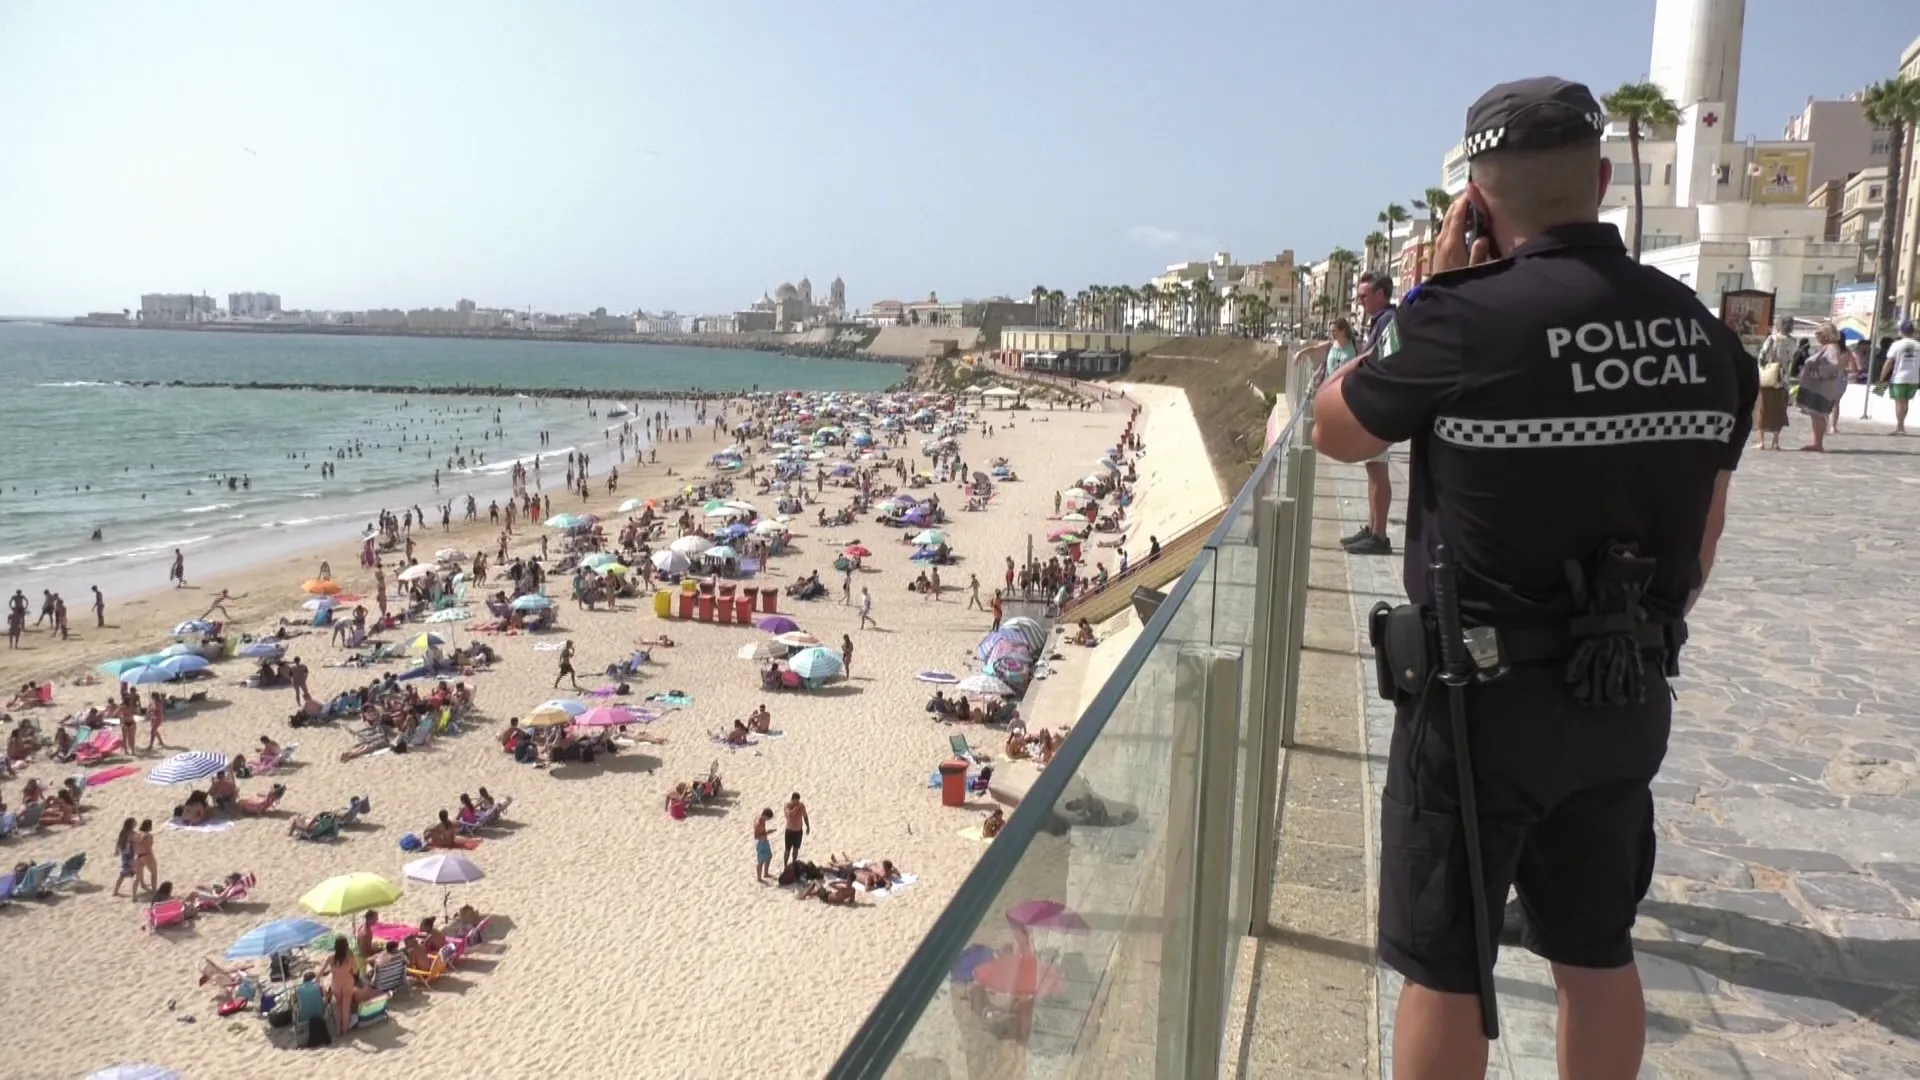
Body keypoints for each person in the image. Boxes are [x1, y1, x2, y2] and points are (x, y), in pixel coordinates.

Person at [1310, 77, 1752, 1080]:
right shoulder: (1702, 333)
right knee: (1596, 947)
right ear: (1600, 179)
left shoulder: (1462, 322)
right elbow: (1709, 531)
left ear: (1473, 193)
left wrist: (1426, 292)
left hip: (1480, 706)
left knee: (1446, 961)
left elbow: (1337, 430)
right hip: (1625, 687)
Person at [1340, 272, 1400, 557]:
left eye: (1364, 296)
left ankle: (1380, 535)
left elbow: (1383, 359)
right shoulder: (1381, 321)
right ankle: (1372, 527)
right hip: (1375, 404)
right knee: (1373, 469)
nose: (1360, 301)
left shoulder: (1388, 321)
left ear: (1380, 294)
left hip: (1381, 406)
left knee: (1378, 471)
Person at [1796, 324, 1849, 452]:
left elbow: (1834, 366)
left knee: (1818, 415)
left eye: (1818, 334)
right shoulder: (1828, 348)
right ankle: (1816, 441)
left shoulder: (1831, 348)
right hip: (1819, 387)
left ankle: (1817, 443)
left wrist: (1817, 372)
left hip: (1823, 387)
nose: (1817, 336)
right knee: (1816, 415)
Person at [1753, 316, 1794, 450]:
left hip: (1768, 378)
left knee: (1763, 409)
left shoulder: (1772, 339)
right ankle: (1775, 441)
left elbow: (1762, 357)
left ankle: (1761, 442)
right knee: (1779, 411)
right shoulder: (1793, 341)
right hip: (1784, 380)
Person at [1878, 319, 1920, 435]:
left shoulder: (1897, 345)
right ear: (1913, 331)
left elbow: (1889, 362)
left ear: (1901, 331)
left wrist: (1882, 377)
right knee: (1905, 402)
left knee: (1899, 402)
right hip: (1913, 378)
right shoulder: (1918, 345)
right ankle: (1901, 425)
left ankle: (1900, 427)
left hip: (1899, 377)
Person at [131, 818, 158, 899]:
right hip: (146, 856)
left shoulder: (136, 834)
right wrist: (153, 858)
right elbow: (148, 848)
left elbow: (134, 846)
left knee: (137, 878)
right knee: (154, 873)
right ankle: (154, 891)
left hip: (138, 856)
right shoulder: (148, 836)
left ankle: (134, 896)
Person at [783, 792, 810, 866]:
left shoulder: (801, 806)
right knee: (787, 850)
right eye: (795, 801)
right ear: (792, 799)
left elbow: (805, 816)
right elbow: (789, 815)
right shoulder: (787, 805)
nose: (797, 803)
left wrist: (807, 826)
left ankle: (793, 864)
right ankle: (785, 865)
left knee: (796, 849)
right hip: (789, 831)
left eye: (798, 801)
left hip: (798, 831)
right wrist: (796, 808)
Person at [753, 807, 775, 882]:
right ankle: (759, 878)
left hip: (765, 841)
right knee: (761, 861)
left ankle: (766, 873)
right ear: (765, 815)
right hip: (761, 843)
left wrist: (766, 834)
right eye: (768, 818)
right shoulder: (759, 823)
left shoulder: (760, 818)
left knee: (769, 856)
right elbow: (756, 837)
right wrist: (767, 833)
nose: (768, 820)